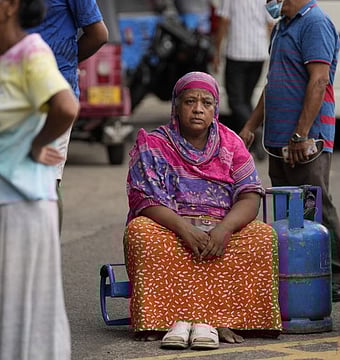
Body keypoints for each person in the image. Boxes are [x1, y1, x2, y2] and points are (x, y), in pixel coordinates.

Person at [124, 71, 282, 349]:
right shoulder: (154, 143)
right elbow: (144, 200)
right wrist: (185, 230)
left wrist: (224, 229)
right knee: (141, 232)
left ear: (215, 109)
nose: (198, 109)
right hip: (172, 228)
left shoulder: (231, 143)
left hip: (220, 232)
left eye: (206, 103)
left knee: (261, 237)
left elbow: (249, 195)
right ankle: (163, 319)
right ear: (176, 106)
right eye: (190, 101)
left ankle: (222, 318)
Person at [238, 0, 340, 301]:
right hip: (280, 139)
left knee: (313, 204)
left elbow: (319, 81)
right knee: (288, 211)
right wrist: (251, 125)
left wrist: (301, 134)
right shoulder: (282, 27)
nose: (268, 2)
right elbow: (274, 83)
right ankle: (299, 272)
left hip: (307, 140)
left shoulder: (315, 23)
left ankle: (339, 276)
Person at [0, 0, 79, 358]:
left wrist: (36, 144)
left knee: (23, 306)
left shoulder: (30, 52)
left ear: (11, 7)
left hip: (22, 204)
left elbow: (66, 106)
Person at [28, 0, 108, 229]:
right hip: (11, 93)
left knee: (46, 182)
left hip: (52, 98)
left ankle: (47, 258)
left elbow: (98, 34)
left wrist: (58, 65)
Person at [212, 0, 274, 160]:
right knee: (245, 99)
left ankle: (254, 130)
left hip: (237, 52)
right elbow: (270, 24)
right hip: (259, 52)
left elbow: (224, 20)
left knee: (236, 101)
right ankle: (250, 143)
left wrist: (217, 51)